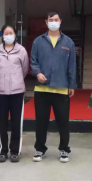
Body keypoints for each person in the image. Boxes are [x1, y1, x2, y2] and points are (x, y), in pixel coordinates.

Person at [30, 11, 76, 163]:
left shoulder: (68, 42)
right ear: (46, 22)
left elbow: (72, 65)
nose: (54, 22)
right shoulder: (38, 41)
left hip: (61, 88)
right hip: (42, 89)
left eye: (56, 19)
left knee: (63, 121)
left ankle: (64, 149)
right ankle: (40, 149)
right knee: (41, 122)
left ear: (60, 21)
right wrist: (37, 73)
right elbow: (33, 61)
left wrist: (71, 85)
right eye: (51, 20)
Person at [0, 24, 29, 163]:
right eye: (6, 33)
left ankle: (15, 151)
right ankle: (2, 150)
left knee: (16, 122)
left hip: (17, 92)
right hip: (0, 92)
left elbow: (25, 69)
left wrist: (16, 80)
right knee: (1, 122)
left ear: (15, 34)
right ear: (2, 35)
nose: (8, 36)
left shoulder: (21, 51)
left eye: (10, 33)